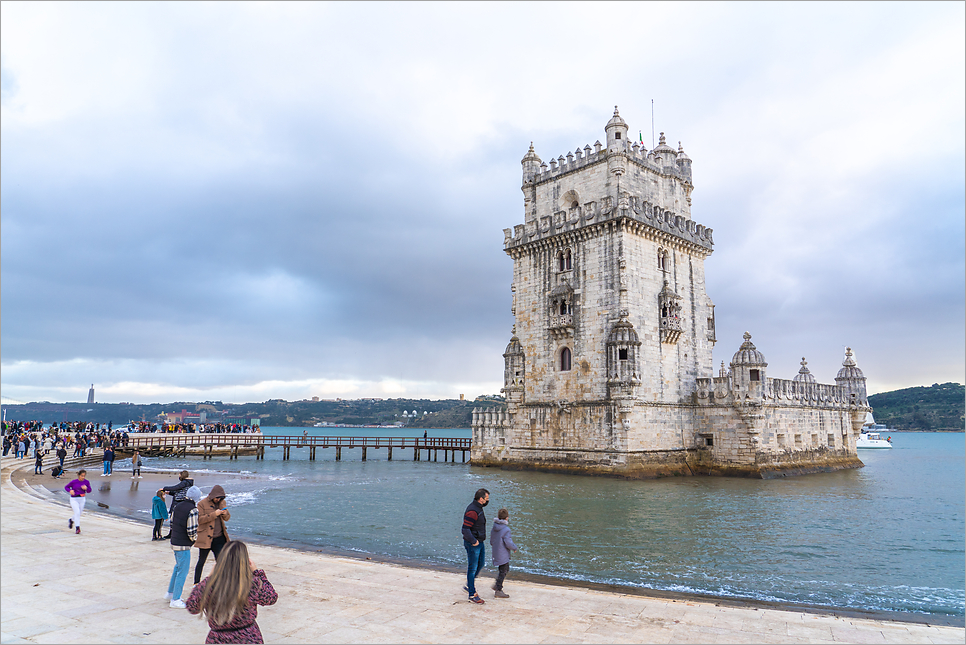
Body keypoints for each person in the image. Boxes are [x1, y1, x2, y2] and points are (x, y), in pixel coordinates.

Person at [186, 541, 278, 644]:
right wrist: (257, 572)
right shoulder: (251, 584)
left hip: (217, 638)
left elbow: (192, 607)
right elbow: (271, 598)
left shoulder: (210, 585)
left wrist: (209, 578)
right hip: (248, 637)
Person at [167, 485, 204, 609]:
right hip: (183, 545)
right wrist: (194, 540)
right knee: (182, 571)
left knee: (177, 568)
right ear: (197, 498)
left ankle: (170, 593)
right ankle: (175, 599)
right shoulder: (193, 510)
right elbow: (192, 530)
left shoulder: (178, 506)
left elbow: (171, 522)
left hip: (174, 541)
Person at [194, 485, 231, 584]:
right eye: (217, 498)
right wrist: (215, 514)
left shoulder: (222, 502)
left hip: (219, 538)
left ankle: (223, 583)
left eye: (220, 498)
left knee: (222, 562)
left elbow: (227, 518)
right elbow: (200, 520)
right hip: (206, 538)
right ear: (212, 496)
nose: (218, 500)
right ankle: (196, 583)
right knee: (201, 561)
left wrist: (225, 513)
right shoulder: (201, 504)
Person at [461, 487, 489, 604]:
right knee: (472, 568)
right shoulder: (472, 511)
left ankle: (469, 584)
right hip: (474, 543)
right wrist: (474, 541)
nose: (488, 500)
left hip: (479, 542)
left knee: (481, 563)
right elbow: (465, 529)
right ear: (481, 499)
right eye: (487, 498)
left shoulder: (478, 508)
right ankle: (472, 594)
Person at [490, 508, 519, 598]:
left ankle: (497, 585)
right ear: (507, 518)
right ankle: (498, 589)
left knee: (502, 569)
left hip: (496, 551)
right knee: (504, 570)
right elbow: (508, 542)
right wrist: (514, 548)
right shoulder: (506, 530)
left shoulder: (494, 528)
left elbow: (491, 541)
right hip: (503, 553)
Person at [64, 469, 93, 534]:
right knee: (77, 512)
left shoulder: (86, 482)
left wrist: (86, 488)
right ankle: (77, 528)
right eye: (82, 476)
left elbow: (89, 490)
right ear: (79, 475)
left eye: (84, 476)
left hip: (82, 498)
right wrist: (70, 491)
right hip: (74, 499)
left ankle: (71, 520)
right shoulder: (74, 482)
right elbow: (66, 487)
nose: (83, 477)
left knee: (79, 513)